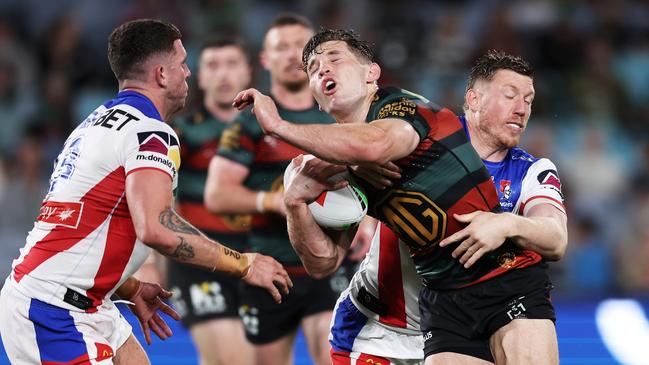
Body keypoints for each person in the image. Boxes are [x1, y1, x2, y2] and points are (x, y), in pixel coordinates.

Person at [235, 28, 567, 364]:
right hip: (411, 312)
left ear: (371, 74)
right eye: (314, 68)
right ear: (473, 100)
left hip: (505, 282)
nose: (323, 69)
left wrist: (278, 125)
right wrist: (294, 203)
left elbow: (376, 143)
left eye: (334, 58)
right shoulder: (332, 159)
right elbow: (324, 262)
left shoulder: (408, 110)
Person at [0, 19, 291, 365]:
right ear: (161, 75)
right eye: (182, 64)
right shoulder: (151, 133)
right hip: (54, 313)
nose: (188, 73)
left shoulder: (94, 122)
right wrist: (244, 265)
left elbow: (80, 229)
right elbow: (158, 229)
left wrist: (131, 287)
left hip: (77, 301)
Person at [204, 14, 358, 365]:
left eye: (301, 47)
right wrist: (281, 202)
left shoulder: (342, 115)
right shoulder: (250, 120)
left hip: (331, 267)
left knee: (332, 356)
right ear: (265, 60)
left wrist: (368, 225)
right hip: (271, 269)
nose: (292, 55)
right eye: (281, 47)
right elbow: (218, 194)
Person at [165, 35, 255, 365]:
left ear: (249, 71)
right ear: (199, 77)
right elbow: (157, 202)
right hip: (201, 264)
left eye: (231, 64)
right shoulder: (181, 133)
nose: (223, 75)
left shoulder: (272, 131)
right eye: (212, 66)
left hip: (258, 260)